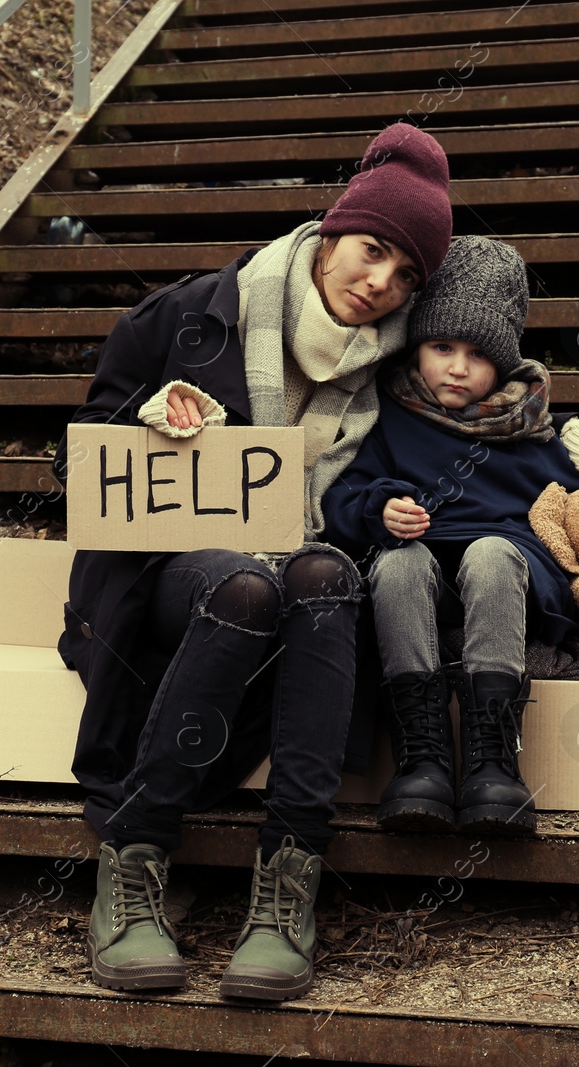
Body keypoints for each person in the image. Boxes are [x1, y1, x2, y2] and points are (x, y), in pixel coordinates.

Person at [54, 124, 454, 1002]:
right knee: (245, 580)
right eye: (372, 249)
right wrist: (150, 422)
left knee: (323, 574)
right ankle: (134, 856)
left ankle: (287, 888)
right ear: (331, 232)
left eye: (407, 275)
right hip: (170, 585)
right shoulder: (193, 314)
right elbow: (76, 468)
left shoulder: (398, 378)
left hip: (304, 614)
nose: (380, 282)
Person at [321, 236, 579, 836]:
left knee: (491, 552)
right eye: (442, 347)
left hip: (512, 588)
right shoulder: (386, 419)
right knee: (399, 561)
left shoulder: (530, 436)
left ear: (503, 365)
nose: (457, 368)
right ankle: (422, 757)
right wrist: (378, 510)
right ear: (416, 347)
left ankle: (492, 758)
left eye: (478, 356)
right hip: (419, 588)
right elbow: (338, 496)